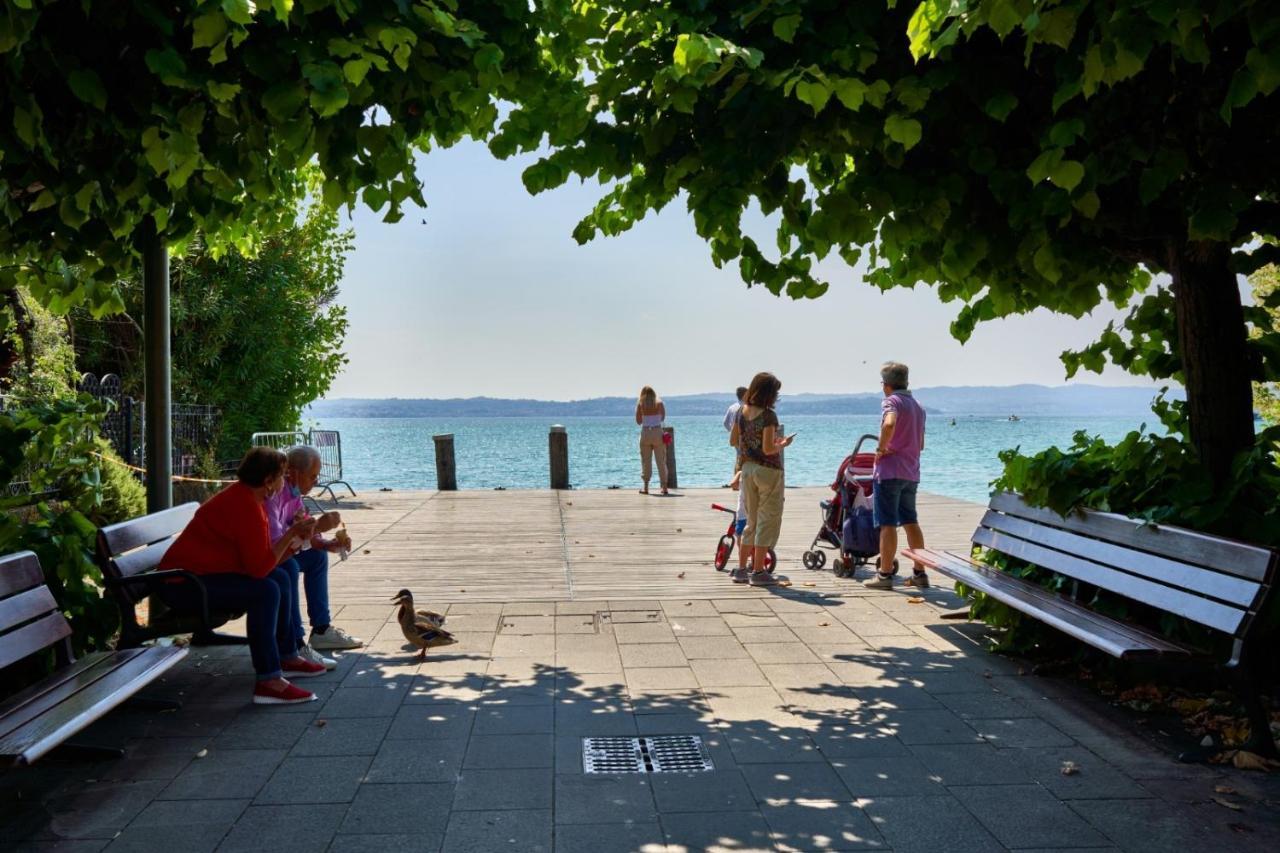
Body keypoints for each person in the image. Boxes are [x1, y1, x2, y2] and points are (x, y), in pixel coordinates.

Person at [158, 447, 326, 705]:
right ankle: (269, 679)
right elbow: (259, 569)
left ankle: (286, 655)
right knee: (266, 590)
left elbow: (263, 562)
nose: (284, 483)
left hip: (200, 577)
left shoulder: (248, 499)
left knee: (279, 578)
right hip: (183, 585)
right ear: (268, 480)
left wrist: (293, 538)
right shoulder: (245, 506)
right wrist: (292, 536)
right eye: (281, 476)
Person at [266, 446, 364, 671]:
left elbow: (309, 532)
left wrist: (330, 543)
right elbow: (277, 546)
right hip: (267, 560)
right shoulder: (274, 495)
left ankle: (321, 630)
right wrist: (317, 526)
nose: (316, 481)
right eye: (312, 476)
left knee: (317, 556)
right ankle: (296, 642)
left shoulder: (294, 494)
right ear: (293, 472)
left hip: (277, 554)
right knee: (288, 568)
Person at [864, 361, 929, 590]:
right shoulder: (918, 406)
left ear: (887, 385)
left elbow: (889, 424)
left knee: (887, 524)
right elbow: (920, 444)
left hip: (890, 472)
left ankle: (884, 575)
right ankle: (920, 572)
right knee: (911, 522)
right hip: (911, 472)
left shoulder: (891, 402)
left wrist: (881, 448)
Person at [729, 372, 794, 587]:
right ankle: (758, 571)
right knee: (768, 519)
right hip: (768, 471)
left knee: (751, 520)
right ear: (770, 393)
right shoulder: (768, 416)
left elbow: (733, 441)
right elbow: (768, 449)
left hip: (746, 470)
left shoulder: (741, 412)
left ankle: (740, 569)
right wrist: (782, 444)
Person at [723, 386, 749, 574]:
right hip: (748, 447)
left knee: (739, 467)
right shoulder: (746, 409)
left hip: (739, 447)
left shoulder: (733, 408)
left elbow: (727, 425)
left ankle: (738, 487)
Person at [635, 385, 669, 495]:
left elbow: (638, 421)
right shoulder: (659, 404)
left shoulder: (640, 405)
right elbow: (663, 418)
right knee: (661, 461)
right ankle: (664, 487)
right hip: (657, 433)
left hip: (646, 433)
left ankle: (645, 487)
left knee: (646, 461)